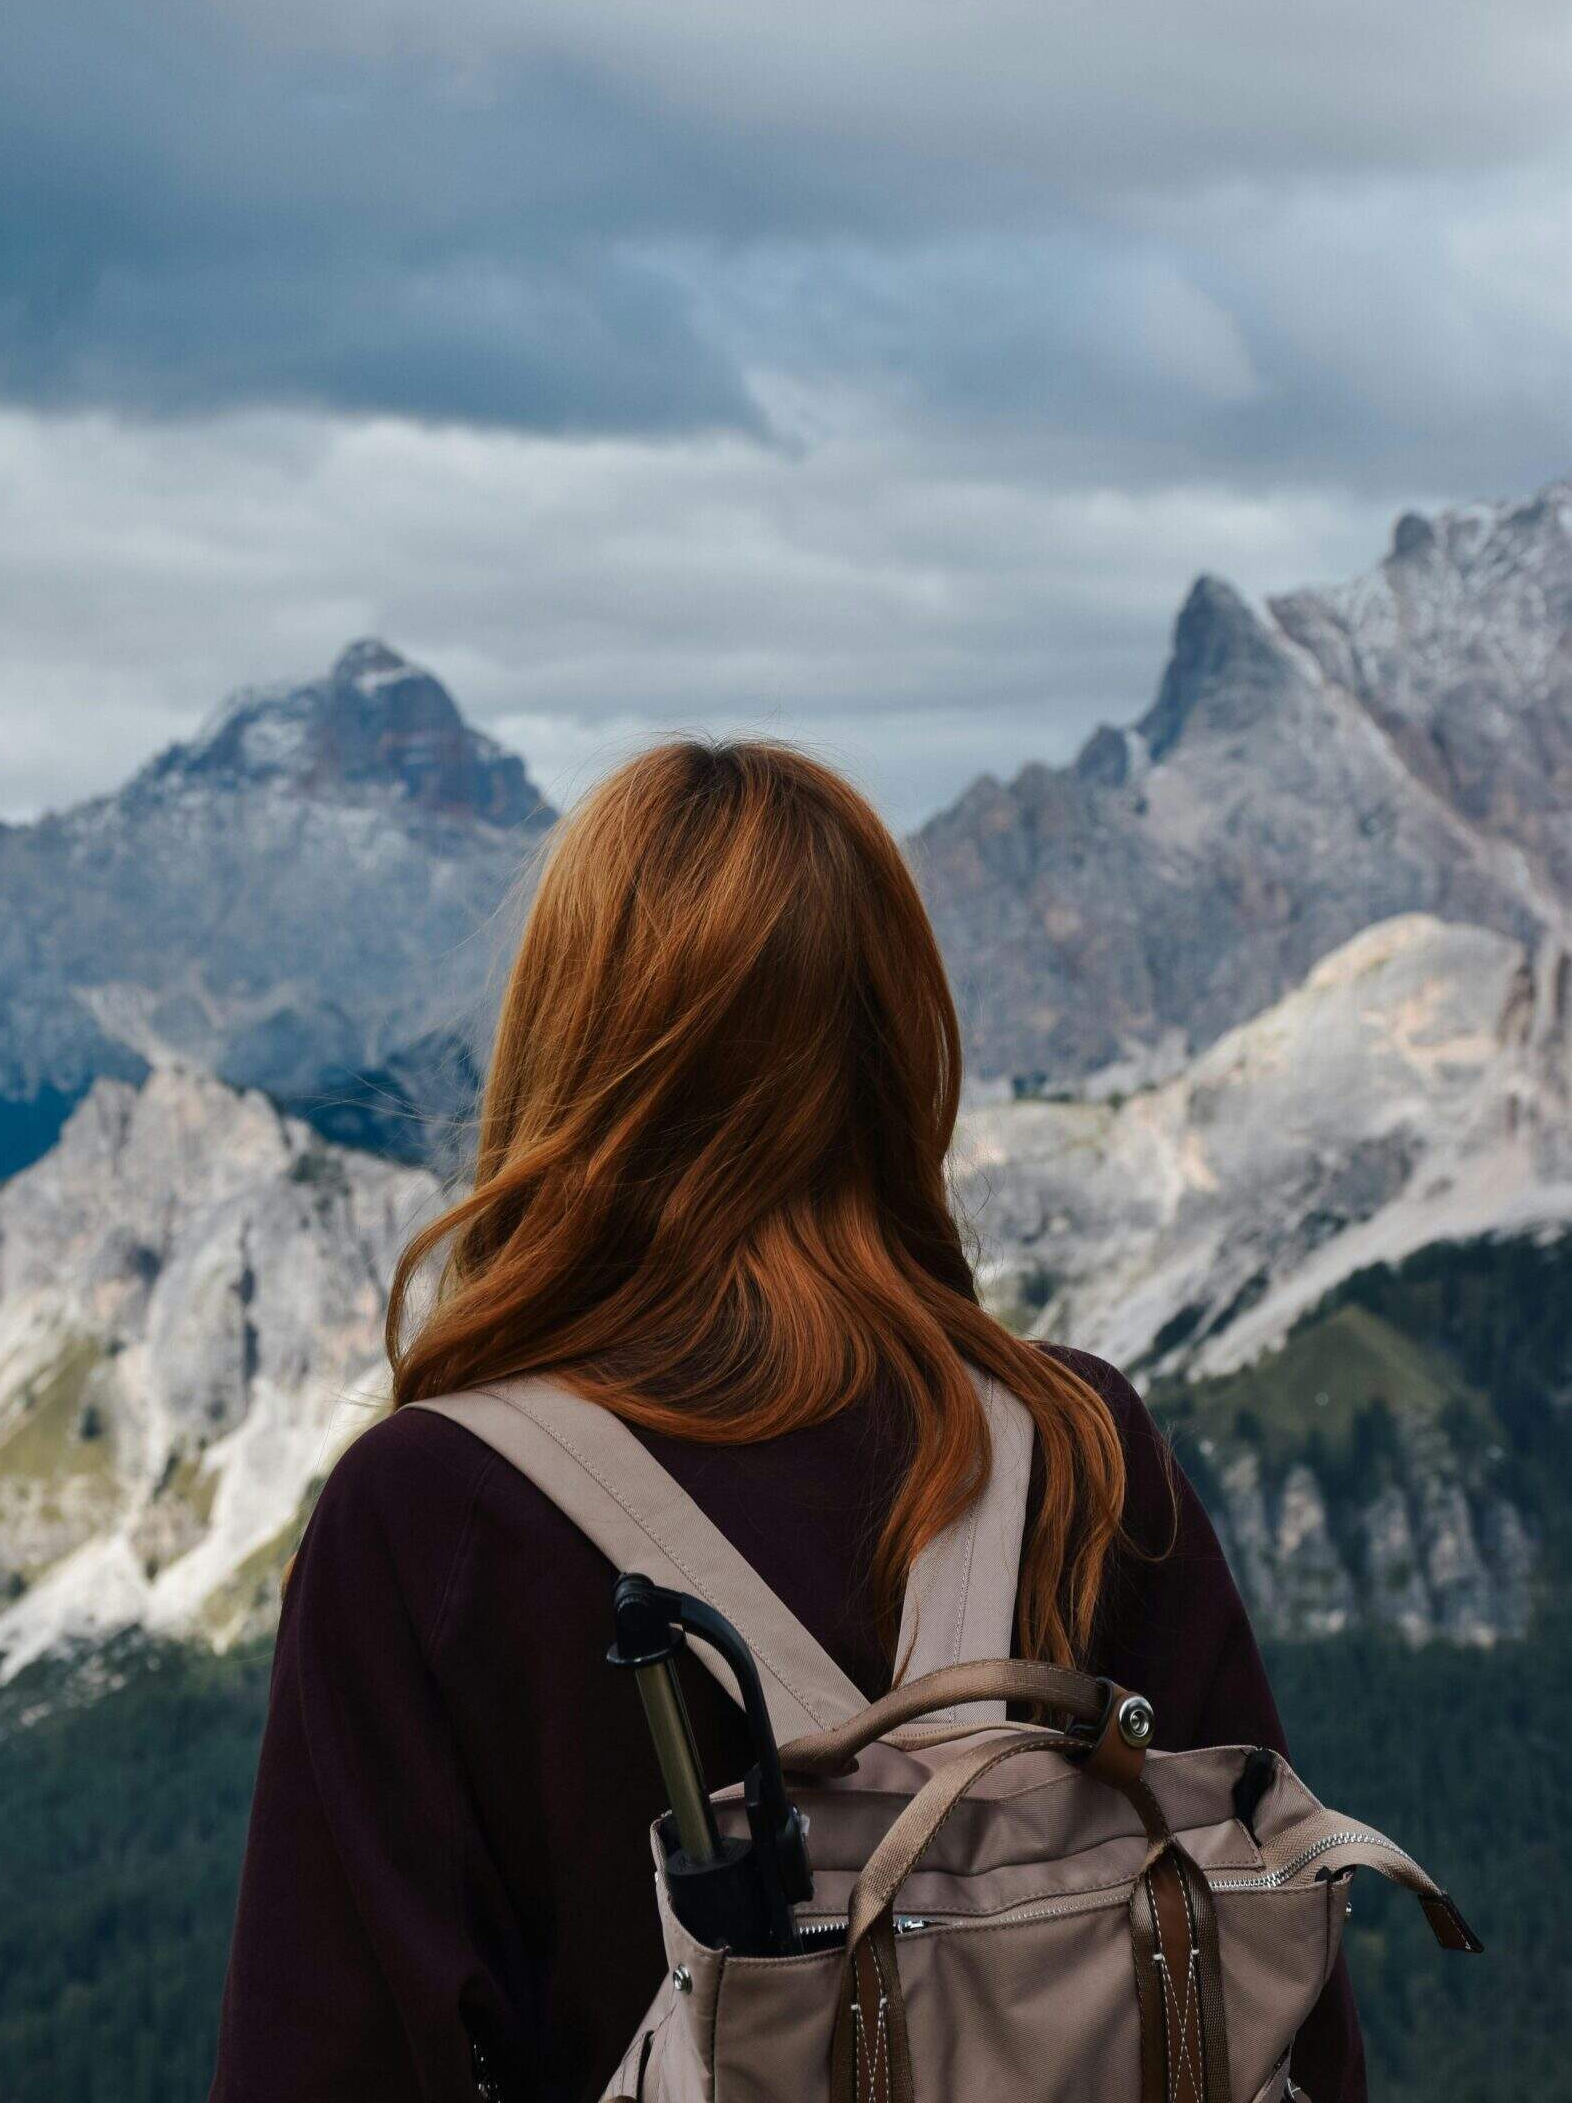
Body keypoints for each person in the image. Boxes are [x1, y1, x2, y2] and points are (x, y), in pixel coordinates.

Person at [209, 740, 1365, 2102]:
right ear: (902, 1049)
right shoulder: (1080, 1448)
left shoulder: (430, 1511)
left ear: (562, 1053)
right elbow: (1282, 2003)